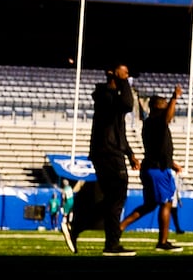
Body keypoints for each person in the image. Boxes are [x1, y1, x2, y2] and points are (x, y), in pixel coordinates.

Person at [63, 65, 139, 256]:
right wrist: (123, 81)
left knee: (112, 200)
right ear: (113, 73)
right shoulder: (106, 96)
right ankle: (107, 242)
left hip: (112, 152)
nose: (127, 76)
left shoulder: (111, 96)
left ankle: (79, 227)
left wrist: (129, 153)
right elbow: (128, 105)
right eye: (124, 72)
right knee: (116, 198)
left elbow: (119, 128)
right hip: (108, 153)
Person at [118, 86, 184, 252]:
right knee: (166, 203)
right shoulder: (156, 121)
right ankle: (162, 241)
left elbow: (158, 148)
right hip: (157, 170)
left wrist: (171, 163)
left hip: (154, 166)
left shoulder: (151, 123)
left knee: (149, 205)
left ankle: (120, 227)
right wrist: (174, 98)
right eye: (164, 105)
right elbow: (168, 117)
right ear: (157, 107)